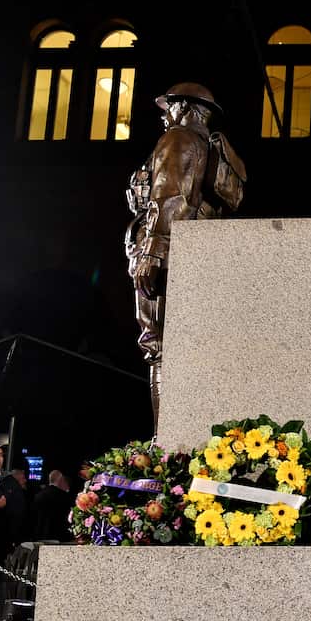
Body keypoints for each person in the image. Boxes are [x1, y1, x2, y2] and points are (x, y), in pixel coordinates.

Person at [125, 82, 245, 432]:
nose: (165, 117)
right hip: (195, 257)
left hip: (167, 258)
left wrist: (152, 251)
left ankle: (167, 443)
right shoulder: (210, 146)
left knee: (158, 346)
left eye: (169, 108)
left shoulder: (179, 139)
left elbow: (171, 198)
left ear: (187, 108)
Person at [32, 469, 74, 541]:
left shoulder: (38, 495)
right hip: (58, 537)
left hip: (40, 536)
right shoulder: (64, 497)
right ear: (61, 480)